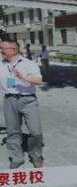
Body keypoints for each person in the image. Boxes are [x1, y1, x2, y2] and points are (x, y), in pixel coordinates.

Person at [0, 40, 44, 168]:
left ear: (14, 50)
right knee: (12, 131)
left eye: (3, 49)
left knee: (35, 131)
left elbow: (39, 81)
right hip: (9, 99)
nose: (1, 51)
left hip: (28, 100)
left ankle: (35, 155)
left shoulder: (28, 64)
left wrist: (22, 76)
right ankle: (16, 157)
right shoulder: (1, 64)